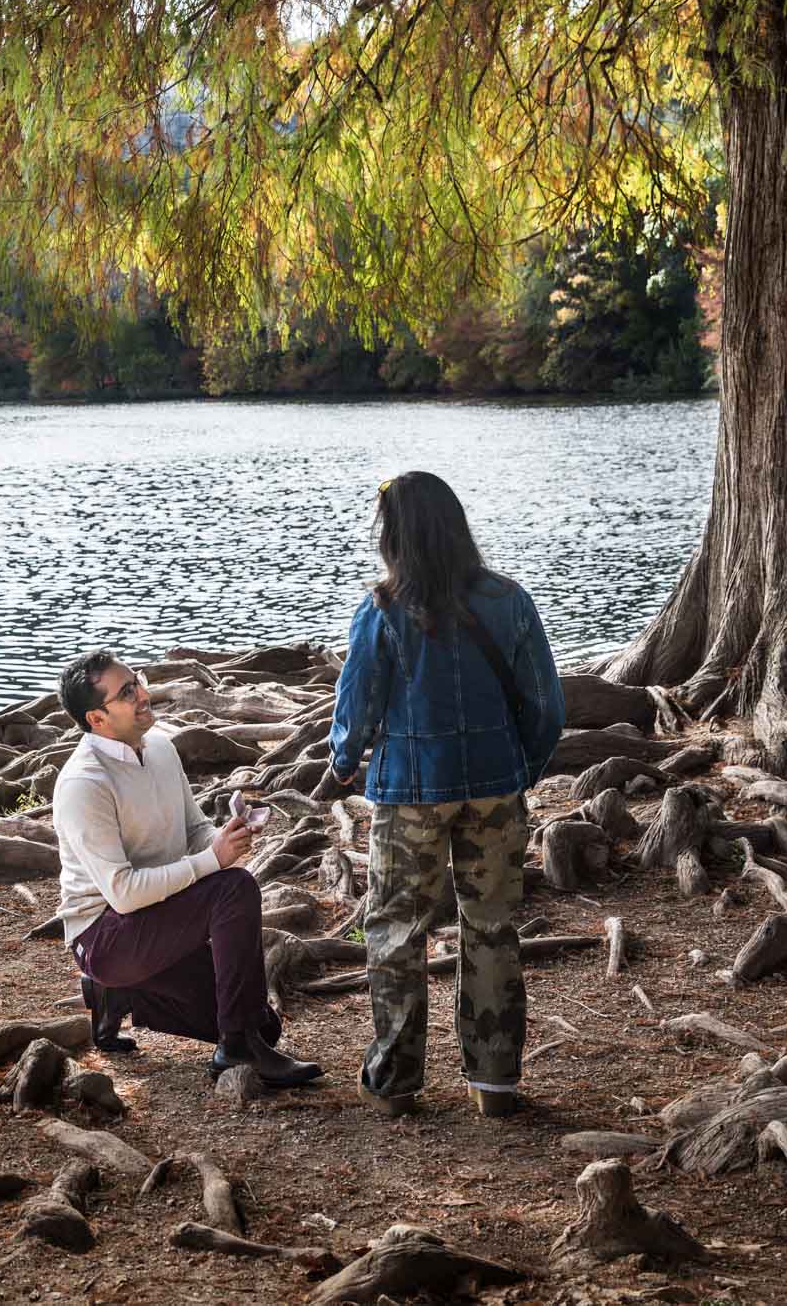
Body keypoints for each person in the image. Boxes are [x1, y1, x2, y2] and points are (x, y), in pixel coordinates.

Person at [326, 471, 564, 1117]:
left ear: (394, 537)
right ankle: (494, 1081)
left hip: (409, 792)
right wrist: (522, 768)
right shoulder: (510, 600)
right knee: (491, 925)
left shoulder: (380, 611)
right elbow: (547, 706)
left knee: (397, 927)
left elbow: (357, 709)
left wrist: (343, 760)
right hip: (495, 789)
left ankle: (397, 1079)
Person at [52, 649, 324, 1087]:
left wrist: (224, 836)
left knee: (265, 1024)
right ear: (97, 719)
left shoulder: (159, 748)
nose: (143, 693)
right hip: (105, 934)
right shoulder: (84, 784)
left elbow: (194, 830)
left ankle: (119, 995)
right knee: (233, 887)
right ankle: (235, 1047)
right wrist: (211, 861)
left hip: (160, 918)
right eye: (127, 693)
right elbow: (123, 893)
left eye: (137, 680)